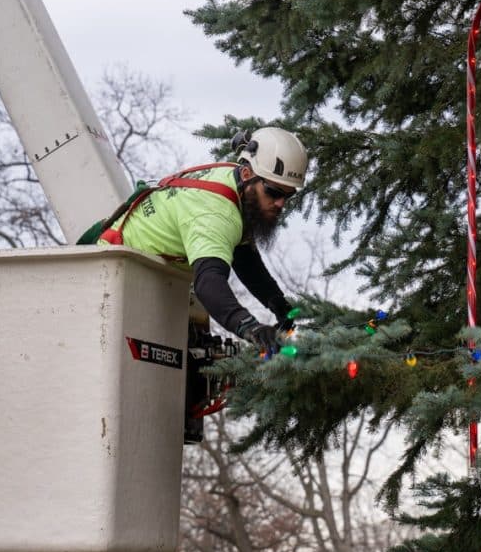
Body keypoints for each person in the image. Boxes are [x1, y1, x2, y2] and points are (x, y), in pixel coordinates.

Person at [78, 126, 308, 442]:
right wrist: (251, 328)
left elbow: (244, 258)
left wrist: (279, 305)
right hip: (111, 280)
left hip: (146, 280)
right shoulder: (215, 212)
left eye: (288, 196)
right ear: (246, 173)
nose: (281, 204)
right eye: (274, 192)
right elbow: (209, 284)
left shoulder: (238, 188)